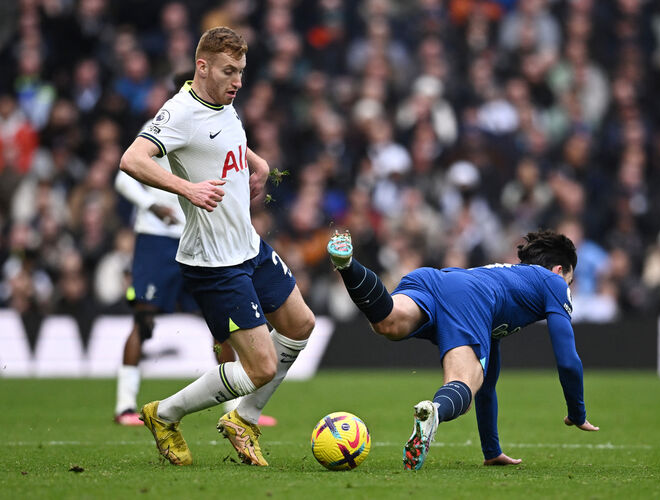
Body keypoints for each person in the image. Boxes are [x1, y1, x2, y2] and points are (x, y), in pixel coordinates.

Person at [119, 27, 315, 466]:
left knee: (301, 324)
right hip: (214, 263)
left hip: (248, 246)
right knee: (260, 366)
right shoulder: (180, 112)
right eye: (229, 71)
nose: (238, 81)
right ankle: (164, 414)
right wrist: (184, 187)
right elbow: (131, 159)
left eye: (242, 71)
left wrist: (255, 159)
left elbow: (225, 143)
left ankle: (242, 420)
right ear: (201, 66)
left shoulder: (224, 102)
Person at [326, 229, 599, 470]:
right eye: (570, 281)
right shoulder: (553, 283)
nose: (568, 289)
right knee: (463, 385)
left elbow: (488, 386)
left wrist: (492, 451)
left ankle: (348, 265)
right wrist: (577, 413)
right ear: (559, 271)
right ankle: (432, 412)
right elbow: (567, 360)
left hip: (437, 280)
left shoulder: (509, 282)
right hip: (469, 297)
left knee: (388, 322)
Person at [113, 141, 277, 428]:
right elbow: (122, 177)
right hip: (157, 238)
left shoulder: (210, 128)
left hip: (198, 237)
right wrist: (151, 205)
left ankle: (235, 408)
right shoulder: (163, 126)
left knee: (223, 325)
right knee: (143, 320)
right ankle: (125, 405)